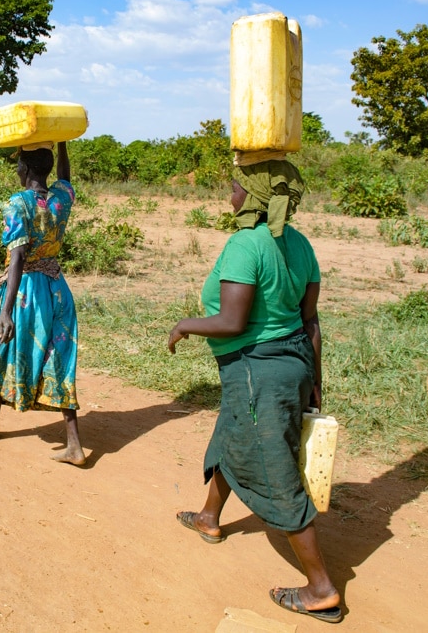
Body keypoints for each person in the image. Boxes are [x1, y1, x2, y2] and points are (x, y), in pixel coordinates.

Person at [167, 159, 342, 624]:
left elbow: (232, 322)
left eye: (236, 188)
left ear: (256, 198)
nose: (230, 196)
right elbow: (311, 322)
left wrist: (183, 325)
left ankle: (321, 587)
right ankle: (209, 517)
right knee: (232, 436)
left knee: (273, 468)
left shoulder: (246, 244)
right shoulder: (300, 245)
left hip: (257, 372)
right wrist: (316, 380)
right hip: (291, 365)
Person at [0, 142, 85, 466]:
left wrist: (6, 310)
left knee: (1, 349)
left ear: (23, 169)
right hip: (58, 289)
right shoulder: (62, 199)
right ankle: (74, 444)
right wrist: (61, 143)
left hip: (26, 292)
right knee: (59, 360)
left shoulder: (17, 204)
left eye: (19, 164)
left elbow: (18, 258)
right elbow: (65, 178)